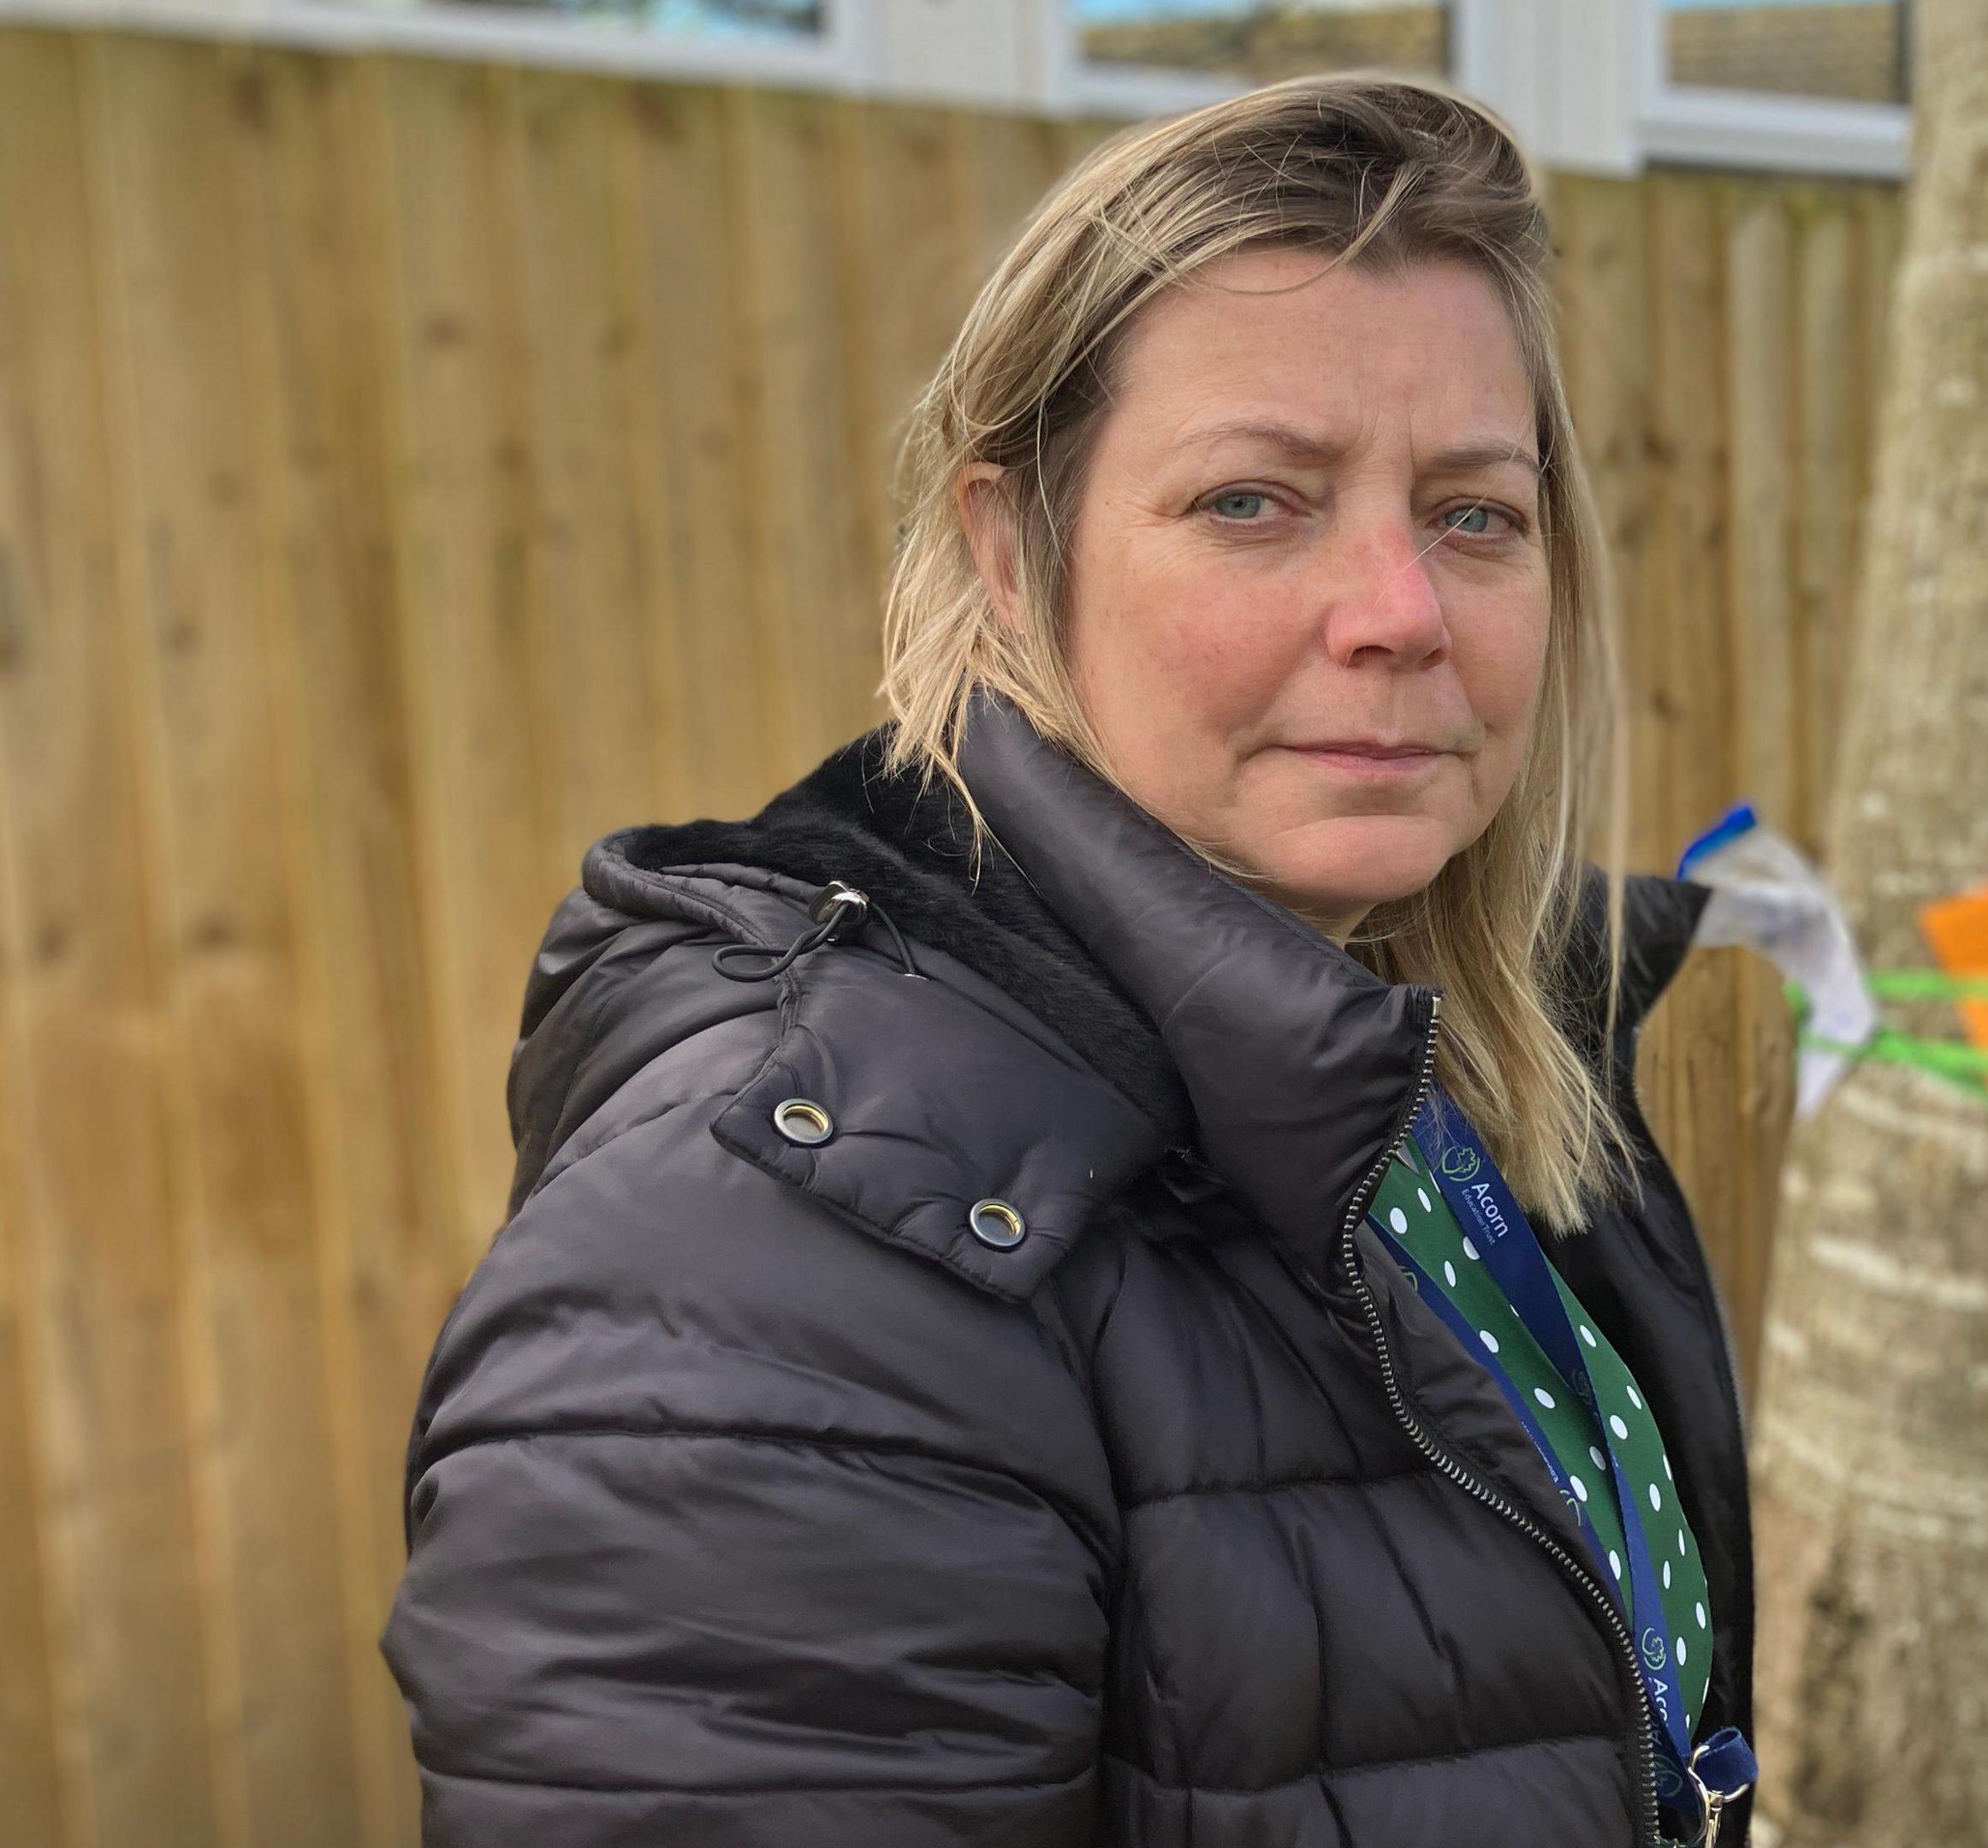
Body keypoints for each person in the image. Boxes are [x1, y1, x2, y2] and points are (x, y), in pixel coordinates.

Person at [379, 73, 1754, 1848]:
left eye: (1475, 512)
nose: (1403, 610)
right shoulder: (775, 1271)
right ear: (1011, 554)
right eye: (1257, 501)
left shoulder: (1468, 1066)